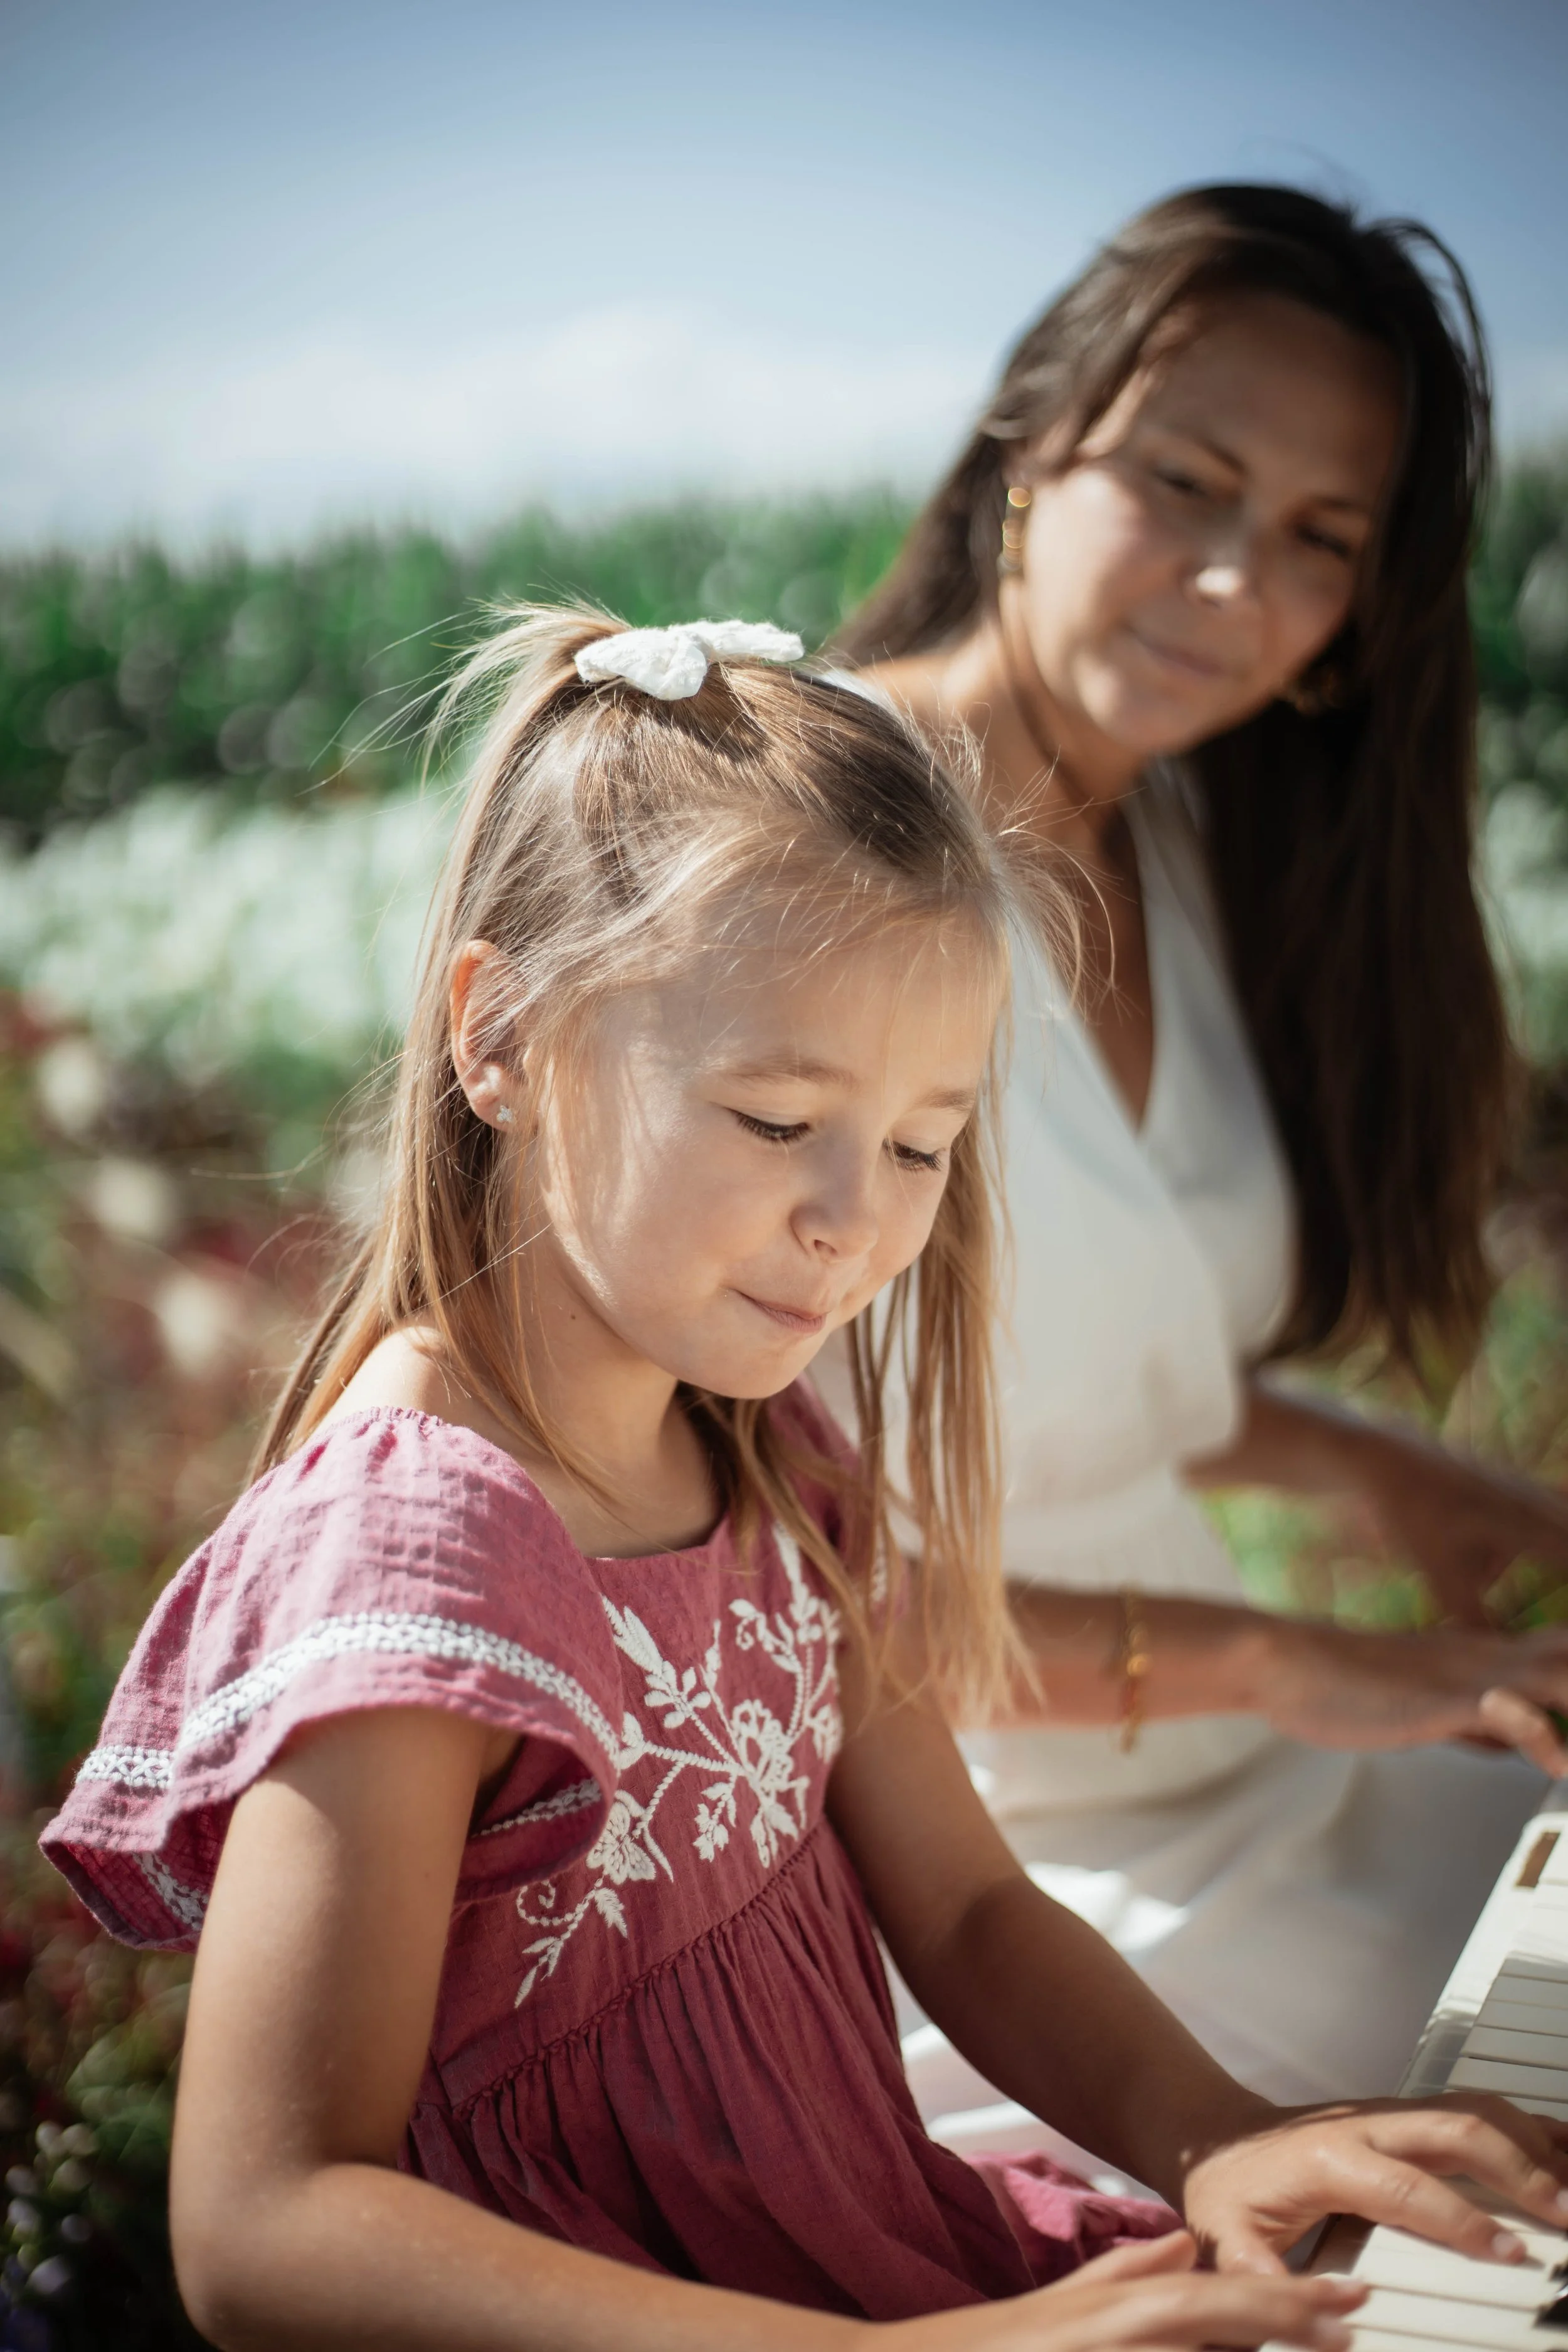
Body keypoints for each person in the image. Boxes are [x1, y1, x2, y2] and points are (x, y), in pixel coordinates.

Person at [38, 606, 1567, 2352]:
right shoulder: (411, 1561)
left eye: (922, 1142)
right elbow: (268, 2227)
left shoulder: (761, 1454)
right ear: (504, 1039)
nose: (856, 1218)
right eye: (777, 1121)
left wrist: (1219, 2133)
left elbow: (973, 1903)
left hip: (883, 2266)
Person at [831, 181, 1568, 2125]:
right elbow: (754, 1573)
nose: (1240, 585)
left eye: (1320, 539)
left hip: (1240, 1771)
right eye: (1185, 480)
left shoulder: (1197, 857)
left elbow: (1085, 1364)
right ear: (1028, 444)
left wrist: (1419, 1490)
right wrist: (1279, 1652)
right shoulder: (805, 829)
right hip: (956, 1866)